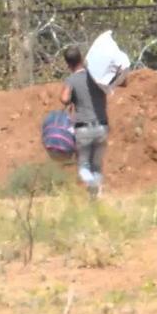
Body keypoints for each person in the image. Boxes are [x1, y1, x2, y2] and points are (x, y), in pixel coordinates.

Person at [60, 46, 120, 200]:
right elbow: (119, 81)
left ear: (68, 64)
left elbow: (64, 99)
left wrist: (72, 95)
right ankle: (96, 197)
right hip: (102, 126)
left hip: (83, 129)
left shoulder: (71, 80)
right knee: (97, 165)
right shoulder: (97, 77)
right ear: (81, 58)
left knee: (84, 166)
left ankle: (92, 185)